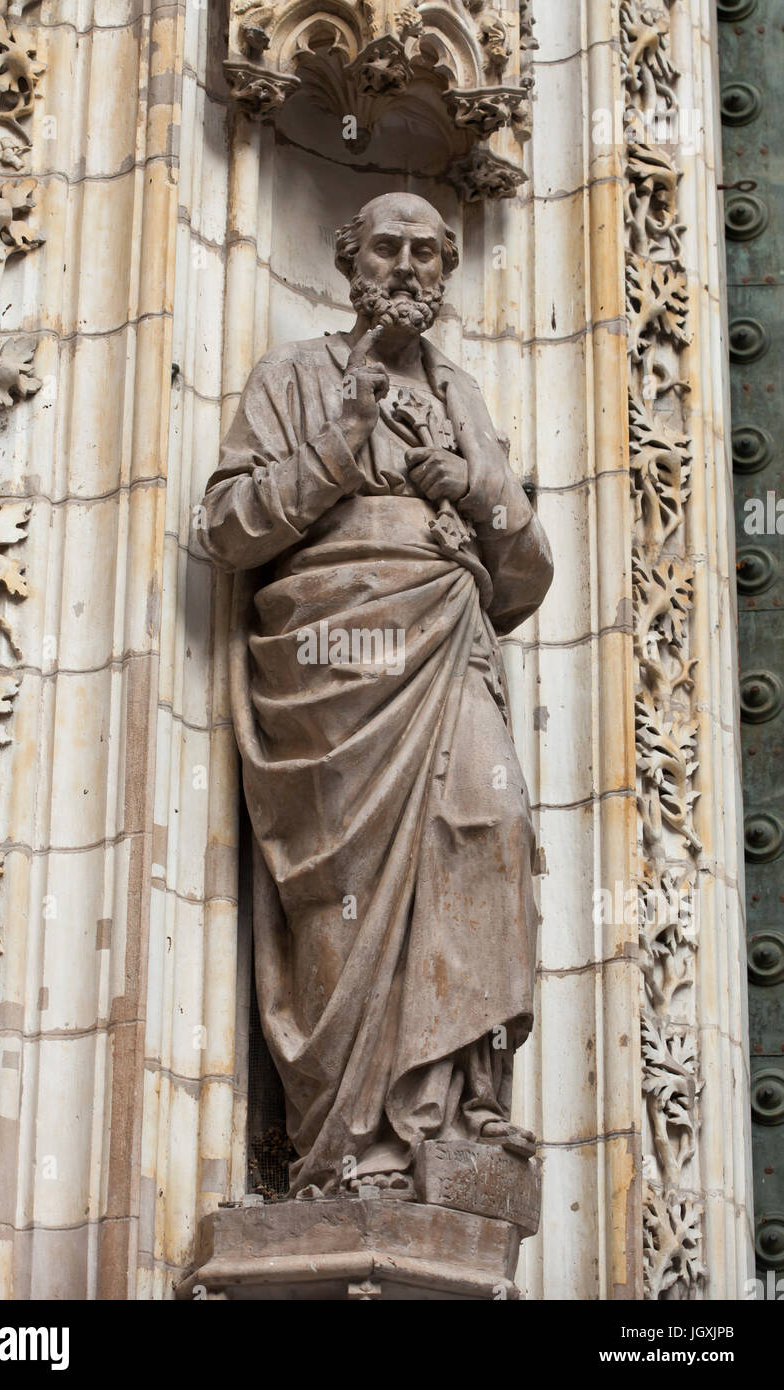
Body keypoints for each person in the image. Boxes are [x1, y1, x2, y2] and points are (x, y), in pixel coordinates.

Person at [198, 192, 553, 1197]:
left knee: (489, 834)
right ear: (350, 264)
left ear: (444, 272)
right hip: (333, 678)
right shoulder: (293, 378)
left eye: (427, 253)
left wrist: (468, 488)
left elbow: (526, 573)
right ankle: (349, 1146)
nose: (407, 268)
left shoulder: (463, 400)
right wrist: (335, 452)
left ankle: (460, 1113)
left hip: (447, 645)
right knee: (348, 899)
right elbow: (224, 527)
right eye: (387, 249)